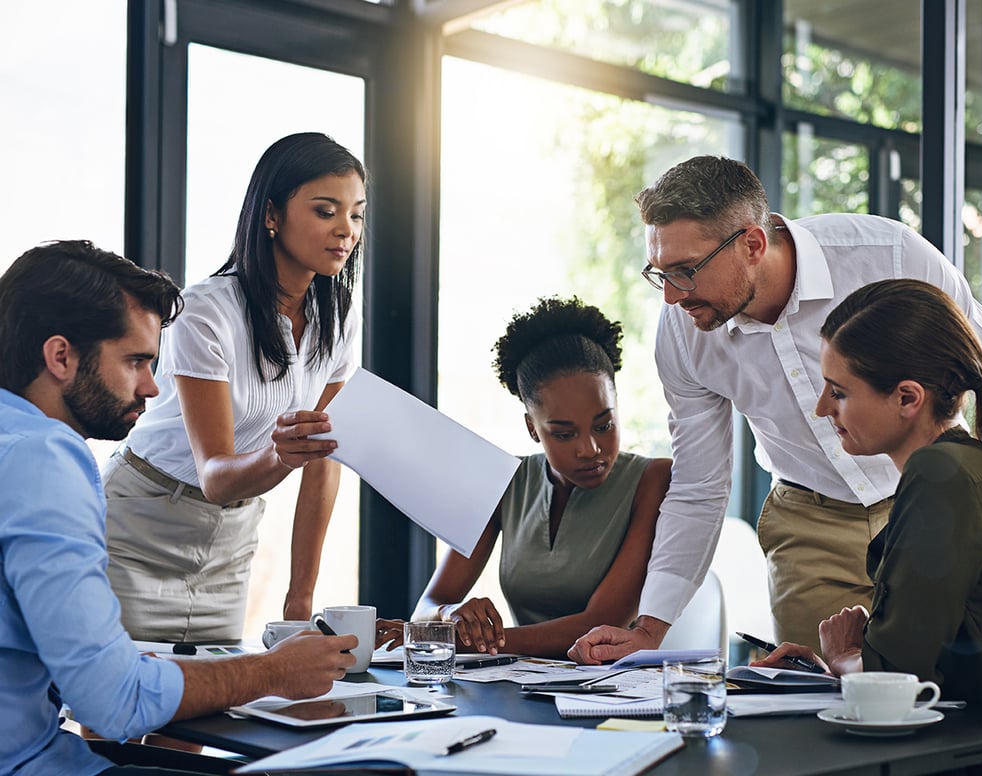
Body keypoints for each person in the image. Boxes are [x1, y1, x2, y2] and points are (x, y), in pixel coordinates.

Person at [569, 155, 982, 662]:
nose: (671, 297)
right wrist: (649, 628)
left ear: (751, 243)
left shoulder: (888, 259)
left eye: (685, 270)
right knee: (826, 719)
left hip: (930, 514)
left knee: (946, 713)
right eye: (660, 273)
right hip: (809, 527)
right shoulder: (686, 331)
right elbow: (700, 484)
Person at [0, 240, 358, 776]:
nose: (150, 386)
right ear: (60, 357)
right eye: (136, 362)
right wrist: (272, 670)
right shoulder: (46, 458)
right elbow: (113, 701)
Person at [752, 279, 982, 775]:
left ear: (907, 398)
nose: (822, 408)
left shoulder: (940, 477)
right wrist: (842, 660)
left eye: (839, 392)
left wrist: (843, 657)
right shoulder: (977, 463)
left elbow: (899, 677)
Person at [103, 132, 366, 643]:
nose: (345, 230)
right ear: (271, 214)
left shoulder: (338, 316)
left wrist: (300, 596)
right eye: (325, 210)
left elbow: (323, 460)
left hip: (232, 538)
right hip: (141, 523)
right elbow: (217, 475)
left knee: (211, 709)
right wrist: (282, 456)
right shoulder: (205, 311)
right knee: (112, 713)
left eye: (356, 214)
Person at [380, 298, 671, 658]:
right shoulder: (503, 481)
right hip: (521, 686)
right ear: (533, 428)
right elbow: (429, 604)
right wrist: (448, 616)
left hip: (621, 691)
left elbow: (600, 624)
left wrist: (457, 639)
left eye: (604, 425)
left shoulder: (653, 479)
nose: (591, 449)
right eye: (564, 434)